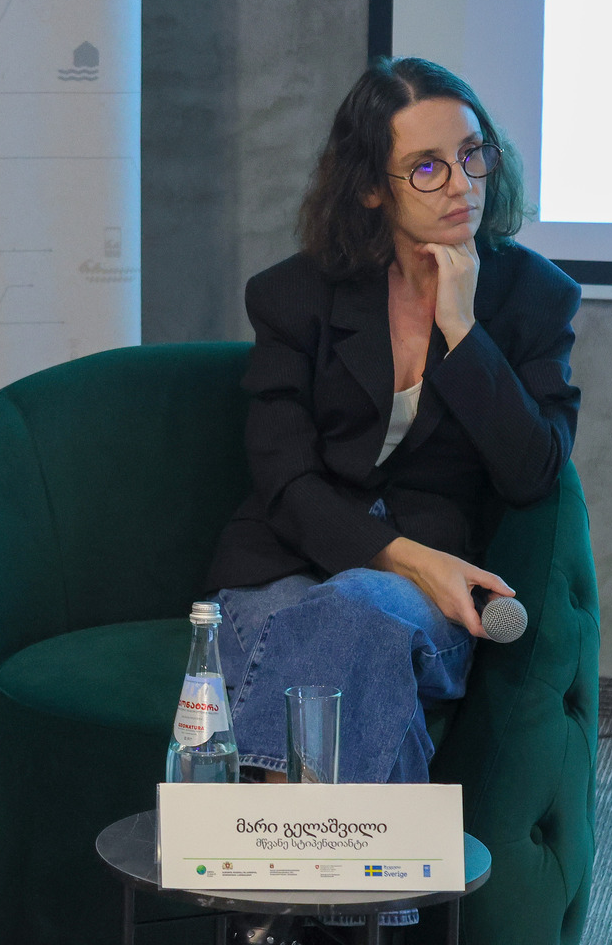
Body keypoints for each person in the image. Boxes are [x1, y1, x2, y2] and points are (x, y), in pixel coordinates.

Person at [208, 55, 579, 792]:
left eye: (472, 155)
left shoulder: (533, 297)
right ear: (371, 187)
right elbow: (286, 481)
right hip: (287, 563)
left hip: (420, 596)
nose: (462, 184)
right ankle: (358, 873)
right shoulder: (294, 296)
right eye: (428, 168)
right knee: (346, 642)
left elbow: (535, 471)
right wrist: (411, 559)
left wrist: (464, 332)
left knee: (357, 614)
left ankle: (263, 863)